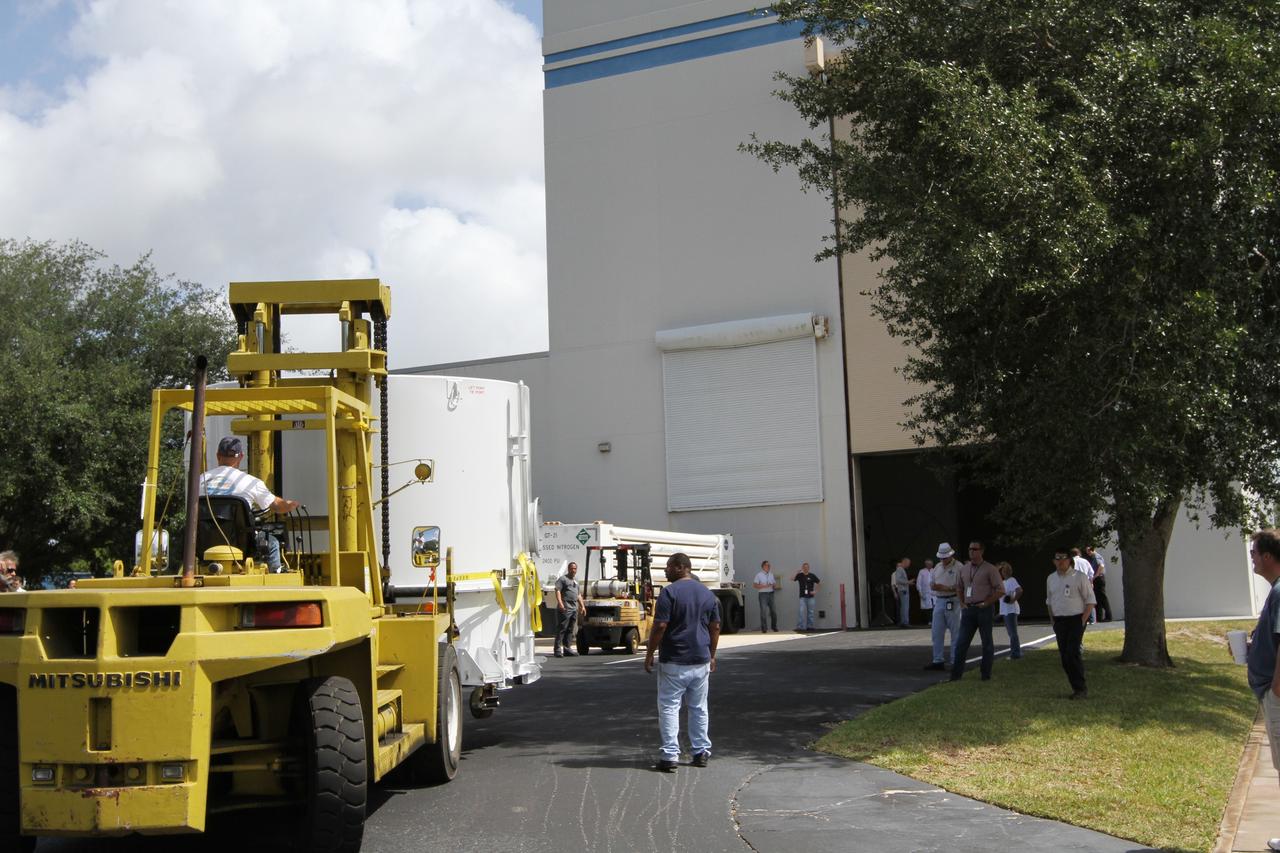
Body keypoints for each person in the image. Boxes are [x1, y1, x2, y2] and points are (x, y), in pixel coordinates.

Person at [645, 552, 720, 772]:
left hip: (675, 659)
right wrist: (712, 654)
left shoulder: (669, 593)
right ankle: (700, 752)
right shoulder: (707, 594)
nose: (665, 571)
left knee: (669, 707)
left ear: (680, 567)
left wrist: (650, 653)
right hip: (700, 659)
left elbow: (660, 626)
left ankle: (669, 756)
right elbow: (715, 627)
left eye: (668, 566)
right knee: (698, 708)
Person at [199, 436, 299, 571]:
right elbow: (276, 506)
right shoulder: (250, 482)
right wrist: (290, 504)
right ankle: (276, 571)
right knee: (272, 542)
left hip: (204, 544)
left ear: (218, 456)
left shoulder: (199, 480)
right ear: (240, 456)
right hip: (241, 544)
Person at [1246, 530, 1280, 853]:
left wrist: (1276, 692)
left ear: (1268, 556)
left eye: (1254, 552)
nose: (1252, 559)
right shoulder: (1275, 591)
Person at [950, 541, 1003, 682]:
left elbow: (1000, 590)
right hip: (969, 610)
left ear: (982, 551)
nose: (972, 551)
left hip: (984, 609)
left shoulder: (990, 569)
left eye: (975, 549)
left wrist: (987, 602)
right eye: (970, 549)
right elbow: (959, 587)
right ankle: (956, 675)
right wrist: (962, 603)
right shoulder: (964, 569)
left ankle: (985, 674)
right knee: (961, 643)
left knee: (986, 642)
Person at [1047, 550, 1096, 699]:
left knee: (1072, 654)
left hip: (1076, 619)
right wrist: (1053, 621)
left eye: (1064, 558)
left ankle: (1081, 689)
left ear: (1069, 560)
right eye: (1058, 558)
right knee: (1064, 656)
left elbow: (1090, 600)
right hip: (1059, 621)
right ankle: (1075, 687)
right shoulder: (1051, 578)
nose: (1061, 561)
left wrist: (1082, 621)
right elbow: (1049, 601)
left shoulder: (1079, 577)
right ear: (1054, 561)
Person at [924, 544, 961, 670]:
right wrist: (934, 586)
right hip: (939, 600)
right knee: (937, 632)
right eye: (941, 558)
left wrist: (946, 588)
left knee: (955, 631)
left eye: (945, 558)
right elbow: (932, 583)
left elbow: (962, 586)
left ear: (951, 555)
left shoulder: (959, 567)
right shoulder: (938, 567)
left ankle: (955, 660)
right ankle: (937, 659)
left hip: (953, 599)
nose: (943, 560)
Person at [554, 561, 585, 657]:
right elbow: (557, 590)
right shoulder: (563, 579)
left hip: (574, 608)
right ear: (568, 569)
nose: (573, 570)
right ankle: (557, 649)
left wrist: (582, 606)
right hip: (565, 607)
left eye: (575, 568)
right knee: (562, 628)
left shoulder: (576, 581)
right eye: (571, 568)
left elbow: (578, 594)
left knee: (571, 629)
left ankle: (567, 648)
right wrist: (560, 603)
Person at [997, 561, 1023, 659]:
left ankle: (1015, 653)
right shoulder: (1003, 582)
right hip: (1005, 611)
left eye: (1003, 570)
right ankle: (1016, 652)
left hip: (1011, 610)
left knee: (1012, 633)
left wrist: (1013, 599)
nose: (1002, 572)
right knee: (1011, 633)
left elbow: (1019, 590)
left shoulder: (1012, 580)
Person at [1086, 545, 1112, 622]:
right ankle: (1099, 617)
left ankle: (1108, 616)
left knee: (1103, 597)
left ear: (1092, 550)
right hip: (1097, 579)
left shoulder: (1097, 556)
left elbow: (1101, 565)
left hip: (1099, 578)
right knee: (1098, 598)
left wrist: (1095, 575)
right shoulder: (1093, 558)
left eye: (1088, 551)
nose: (1087, 553)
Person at [792, 562, 820, 631]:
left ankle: (810, 626)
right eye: (804, 567)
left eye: (807, 567)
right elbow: (792, 579)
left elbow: (819, 583)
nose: (805, 568)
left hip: (811, 597)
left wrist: (815, 591)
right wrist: (796, 572)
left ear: (809, 568)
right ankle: (800, 627)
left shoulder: (812, 575)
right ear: (802, 568)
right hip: (802, 596)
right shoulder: (800, 575)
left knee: (811, 612)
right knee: (801, 611)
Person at [752, 560, 779, 633]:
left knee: (773, 611)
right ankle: (764, 628)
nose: (769, 567)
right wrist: (764, 586)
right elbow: (754, 585)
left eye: (769, 565)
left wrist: (774, 585)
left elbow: (774, 584)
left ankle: (774, 627)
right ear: (763, 566)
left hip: (771, 593)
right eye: (767, 565)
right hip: (763, 594)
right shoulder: (759, 575)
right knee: (763, 611)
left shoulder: (771, 574)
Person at [891, 557, 912, 627]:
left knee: (903, 606)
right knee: (905, 606)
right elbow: (898, 580)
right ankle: (905, 622)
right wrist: (908, 582)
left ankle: (903, 621)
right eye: (908, 563)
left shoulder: (901, 569)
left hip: (902, 590)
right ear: (905, 562)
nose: (909, 565)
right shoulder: (900, 569)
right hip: (903, 590)